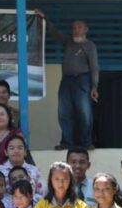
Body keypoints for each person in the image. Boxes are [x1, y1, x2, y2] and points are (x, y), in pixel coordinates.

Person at [34, 10, 99, 150]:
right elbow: (54, 32)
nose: (76, 30)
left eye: (79, 27)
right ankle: (66, 142)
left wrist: (94, 87)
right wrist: (44, 17)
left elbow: (94, 67)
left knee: (84, 112)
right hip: (66, 80)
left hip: (83, 80)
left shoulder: (90, 46)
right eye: (74, 28)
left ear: (86, 29)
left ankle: (87, 143)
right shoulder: (68, 41)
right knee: (64, 112)